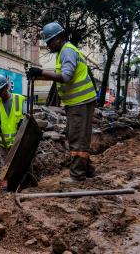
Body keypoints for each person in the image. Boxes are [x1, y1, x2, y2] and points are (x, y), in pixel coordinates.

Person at [27, 22, 97, 183]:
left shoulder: (68, 52)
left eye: (50, 41)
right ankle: (88, 170)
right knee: (77, 136)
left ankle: (78, 176)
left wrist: (41, 71)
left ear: (59, 38)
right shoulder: (64, 52)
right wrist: (38, 75)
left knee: (77, 137)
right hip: (77, 102)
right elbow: (61, 76)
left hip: (81, 102)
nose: (48, 45)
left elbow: (65, 77)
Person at [0, 74, 26, 159]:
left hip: (19, 144)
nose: (0, 93)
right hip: (4, 146)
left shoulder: (20, 99)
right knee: (7, 168)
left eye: (1, 90)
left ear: (7, 87)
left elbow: (27, 120)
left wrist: (23, 121)